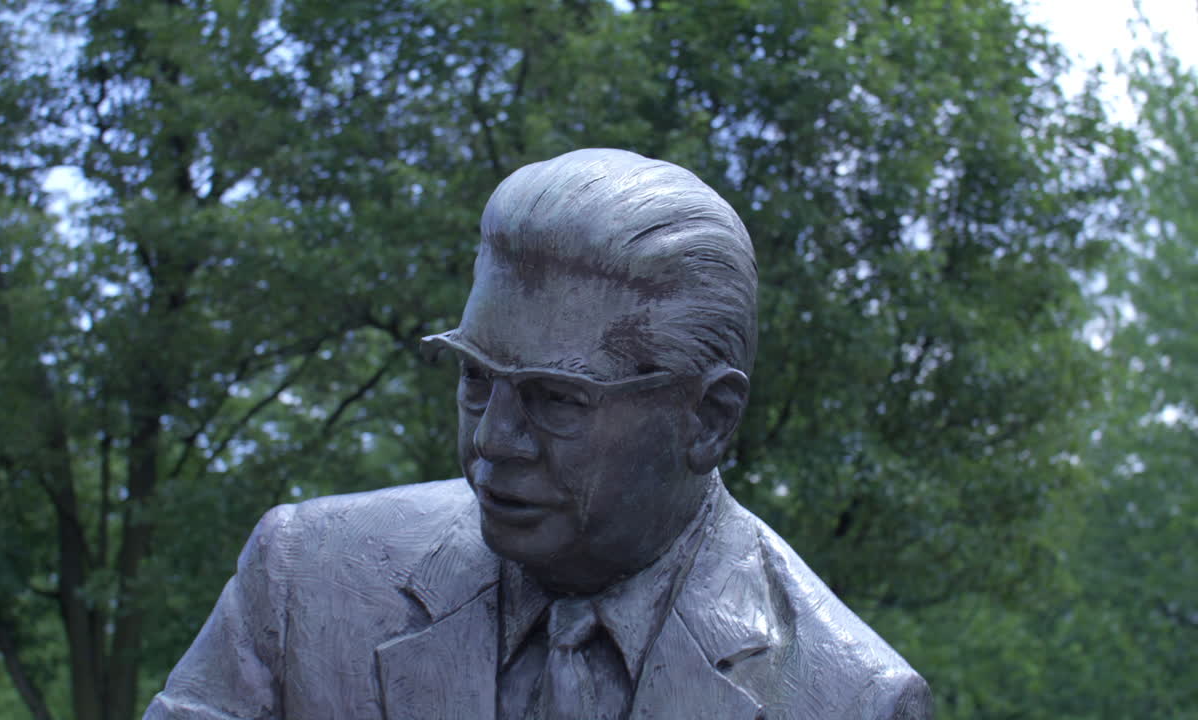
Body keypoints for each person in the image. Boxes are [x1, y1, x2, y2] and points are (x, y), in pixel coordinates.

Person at [145, 149, 932, 720]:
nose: (493, 439)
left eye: (556, 398)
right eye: (475, 375)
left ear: (708, 419)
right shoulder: (302, 582)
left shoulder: (847, 700)